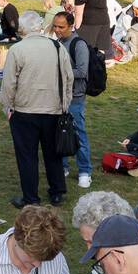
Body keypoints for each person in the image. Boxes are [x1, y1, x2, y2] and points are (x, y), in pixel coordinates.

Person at [1, 12, 69, 207]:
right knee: (53, 153)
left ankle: (31, 197)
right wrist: (65, 105)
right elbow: (68, 79)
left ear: (22, 29)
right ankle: (56, 192)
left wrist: (7, 106)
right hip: (53, 110)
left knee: (27, 156)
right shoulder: (56, 47)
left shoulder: (18, 49)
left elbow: (8, 84)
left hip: (25, 111)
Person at [51, 10, 92, 189]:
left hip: (75, 97)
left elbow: (83, 72)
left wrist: (60, 73)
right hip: (58, 96)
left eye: (61, 27)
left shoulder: (79, 44)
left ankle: (85, 171)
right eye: (55, 26)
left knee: (78, 134)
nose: (57, 30)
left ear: (71, 26)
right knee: (60, 133)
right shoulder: (58, 43)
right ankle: (64, 166)